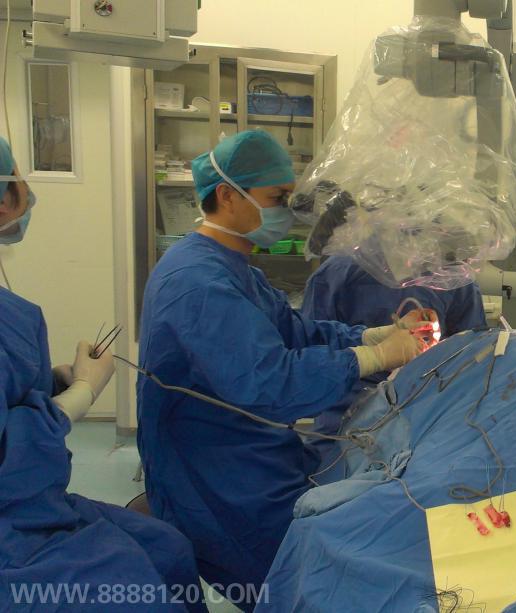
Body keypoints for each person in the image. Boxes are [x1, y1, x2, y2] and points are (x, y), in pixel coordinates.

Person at [136, 130, 435, 609]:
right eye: (276, 198)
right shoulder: (196, 282)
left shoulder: (237, 269)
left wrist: (372, 336)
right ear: (227, 195)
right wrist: (376, 359)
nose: (286, 212)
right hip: (214, 476)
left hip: (251, 451)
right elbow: (269, 382)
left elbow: (294, 332)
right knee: (296, 585)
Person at [0, 138, 206, 612]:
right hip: (13, 527)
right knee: (138, 591)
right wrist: (82, 392)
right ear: (3, 199)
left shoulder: (13, 314)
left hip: (37, 501)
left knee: (169, 549)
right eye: (19, 179)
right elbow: (11, 451)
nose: (29, 193)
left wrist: (52, 382)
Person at [300, 256, 486, 437]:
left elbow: (472, 353)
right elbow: (308, 349)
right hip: (346, 410)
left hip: (427, 406)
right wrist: (374, 356)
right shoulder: (337, 272)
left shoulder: (453, 274)